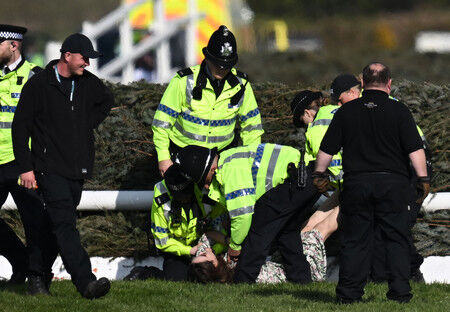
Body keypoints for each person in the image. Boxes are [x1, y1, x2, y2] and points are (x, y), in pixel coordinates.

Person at [313, 62, 429, 303]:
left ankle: (348, 295)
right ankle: (399, 294)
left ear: (362, 83)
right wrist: (422, 179)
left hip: (357, 184)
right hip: (393, 185)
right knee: (396, 239)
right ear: (389, 84)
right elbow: (415, 149)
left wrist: (319, 174)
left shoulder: (346, 112)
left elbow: (326, 149)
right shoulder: (400, 111)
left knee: (355, 240)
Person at [11, 33, 114, 299]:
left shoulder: (90, 84)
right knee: (65, 225)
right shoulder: (38, 85)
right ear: (66, 55)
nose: (87, 65)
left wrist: (84, 124)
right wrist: (26, 168)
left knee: (53, 227)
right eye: (84, 59)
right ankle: (86, 283)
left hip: (77, 170)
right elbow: (20, 128)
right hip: (47, 169)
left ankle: (36, 278)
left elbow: (107, 102)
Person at [173, 143, 320, 284]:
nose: (206, 186)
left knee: (258, 234)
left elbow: (243, 215)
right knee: (286, 234)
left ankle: (242, 282)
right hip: (307, 177)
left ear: (211, 169)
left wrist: (235, 247)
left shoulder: (230, 170)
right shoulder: (229, 159)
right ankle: (301, 280)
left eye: (205, 180)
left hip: (295, 179)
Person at [152, 25, 264, 176]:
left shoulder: (242, 85)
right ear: (207, 57)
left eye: (226, 65)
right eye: (217, 63)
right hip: (183, 159)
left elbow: (252, 127)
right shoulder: (183, 81)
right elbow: (161, 123)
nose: (221, 69)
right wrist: (164, 158)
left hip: (221, 161)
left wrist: (251, 159)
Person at [0, 24, 56, 294]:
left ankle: (36, 276)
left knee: (34, 222)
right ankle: (20, 261)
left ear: (14, 46)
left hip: (23, 163)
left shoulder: (36, 77)